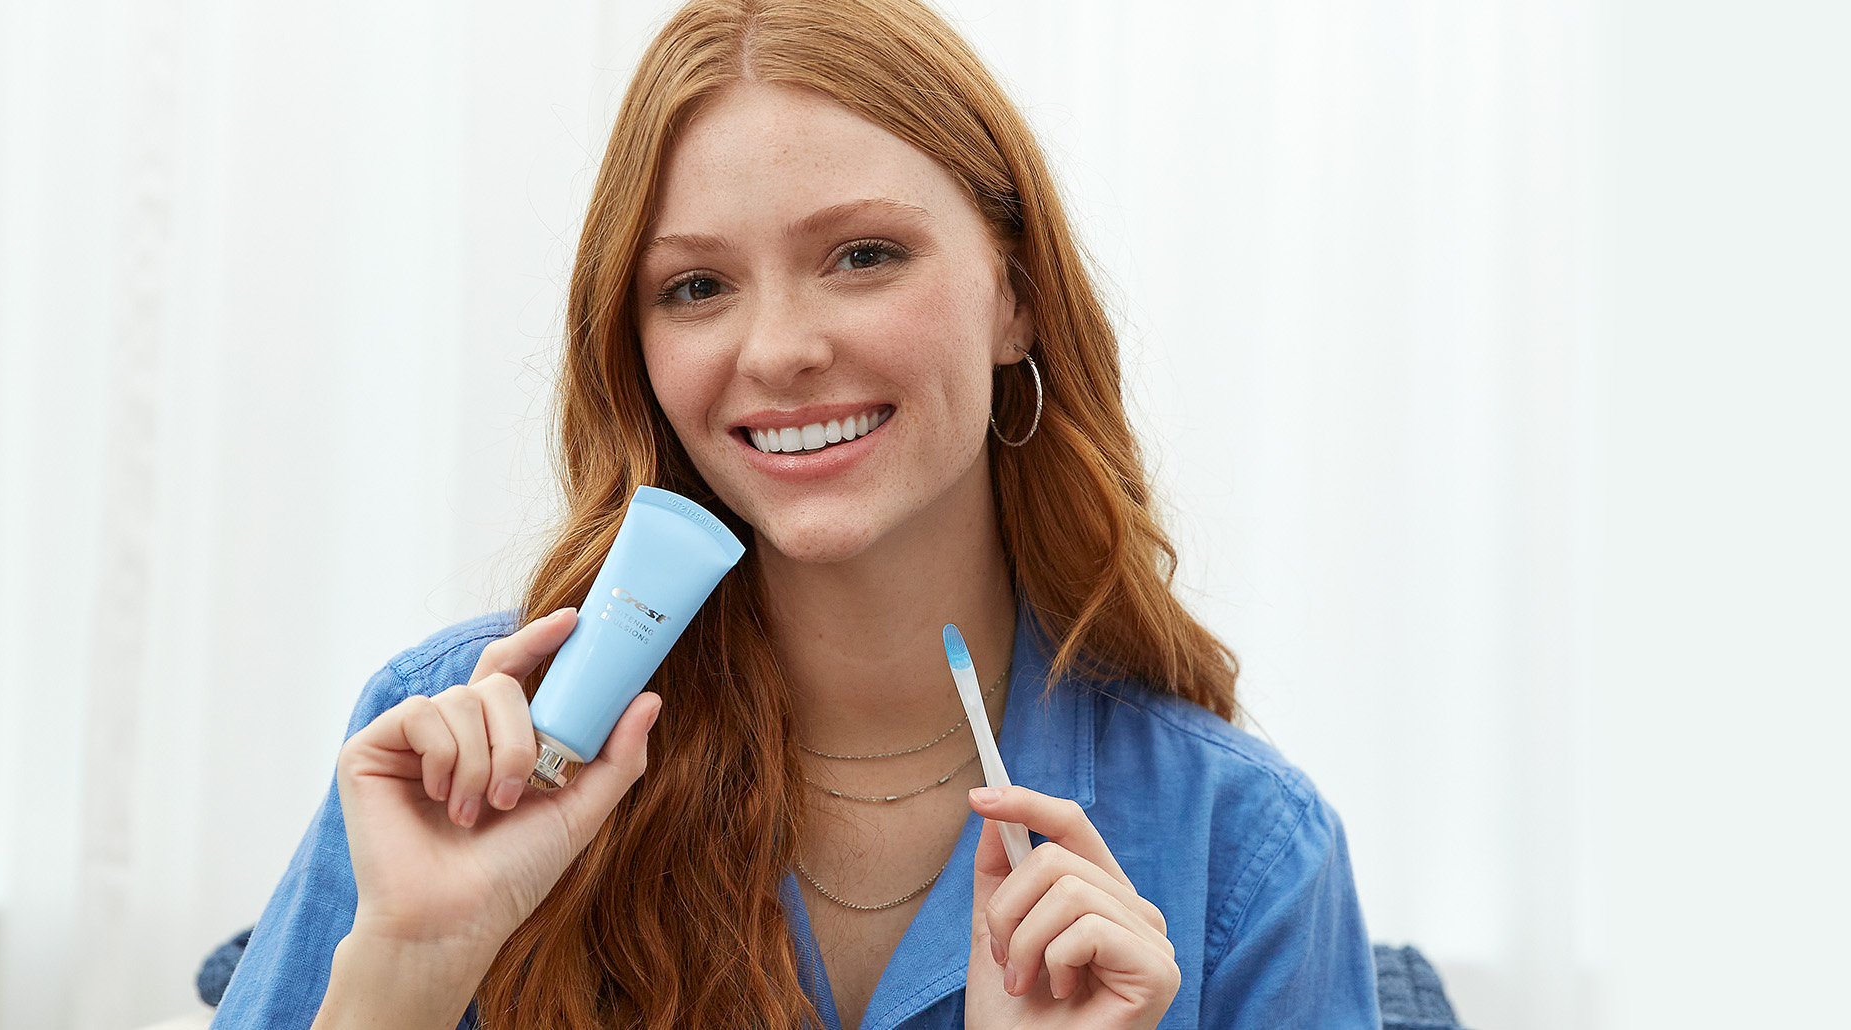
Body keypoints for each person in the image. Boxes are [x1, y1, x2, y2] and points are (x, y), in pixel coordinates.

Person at [210, 1, 1378, 1027]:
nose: (776, 351)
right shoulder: (455, 756)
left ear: (1016, 298)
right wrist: (405, 974)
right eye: (697, 287)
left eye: (864, 255)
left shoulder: (1245, 853)